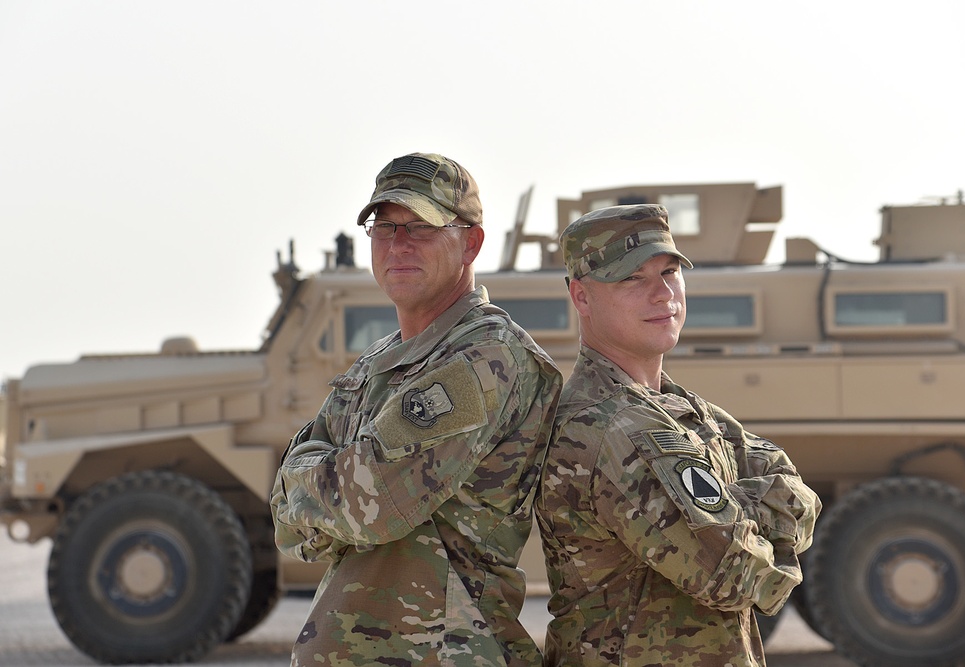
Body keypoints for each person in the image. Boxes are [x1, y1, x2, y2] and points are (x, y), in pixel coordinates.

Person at [270, 152, 562, 667]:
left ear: (471, 242)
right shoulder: (375, 364)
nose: (398, 244)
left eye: (421, 227)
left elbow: (370, 502)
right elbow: (287, 526)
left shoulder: (486, 356)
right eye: (384, 227)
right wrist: (324, 488)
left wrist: (308, 477)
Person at [534, 204, 821, 667]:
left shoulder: (684, 409)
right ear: (581, 297)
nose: (662, 293)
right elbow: (736, 575)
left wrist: (735, 515)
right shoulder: (608, 425)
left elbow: (800, 491)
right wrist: (751, 517)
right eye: (632, 278)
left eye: (669, 271)